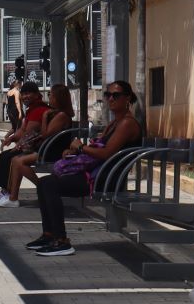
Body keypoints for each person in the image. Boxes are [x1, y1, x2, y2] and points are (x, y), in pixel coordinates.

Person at [29, 81, 142, 257]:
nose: (111, 99)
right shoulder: (115, 123)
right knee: (44, 183)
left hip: (106, 179)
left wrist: (81, 147)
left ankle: (61, 241)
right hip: (96, 174)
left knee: (49, 185)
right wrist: (74, 151)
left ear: (127, 98)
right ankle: (49, 235)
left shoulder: (127, 123)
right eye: (108, 95)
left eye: (116, 95)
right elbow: (98, 148)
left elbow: (106, 153)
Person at [0, 83, 75, 207]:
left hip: (52, 152)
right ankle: (12, 197)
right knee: (15, 159)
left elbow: (45, 134)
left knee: (18, 161)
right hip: (47, 149)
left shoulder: (61, 115)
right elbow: (25, 130)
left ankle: (42, 188)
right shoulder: (56, 113)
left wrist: (45, 117)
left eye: (51, 95)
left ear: (58, 98)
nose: (49, 97)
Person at [0, 83, 47, 202]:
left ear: (37, 94)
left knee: (9, 157)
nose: (25, 97)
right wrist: (11, 138)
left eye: (28, 93)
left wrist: (18, 145)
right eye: (23, 94)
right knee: (5, 156)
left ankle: (7, 191)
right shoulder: (32, 109)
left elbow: (28, 132)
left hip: (38, 147)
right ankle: (5, 189)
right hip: (32, 145)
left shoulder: (39, 110)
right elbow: (22, 130)